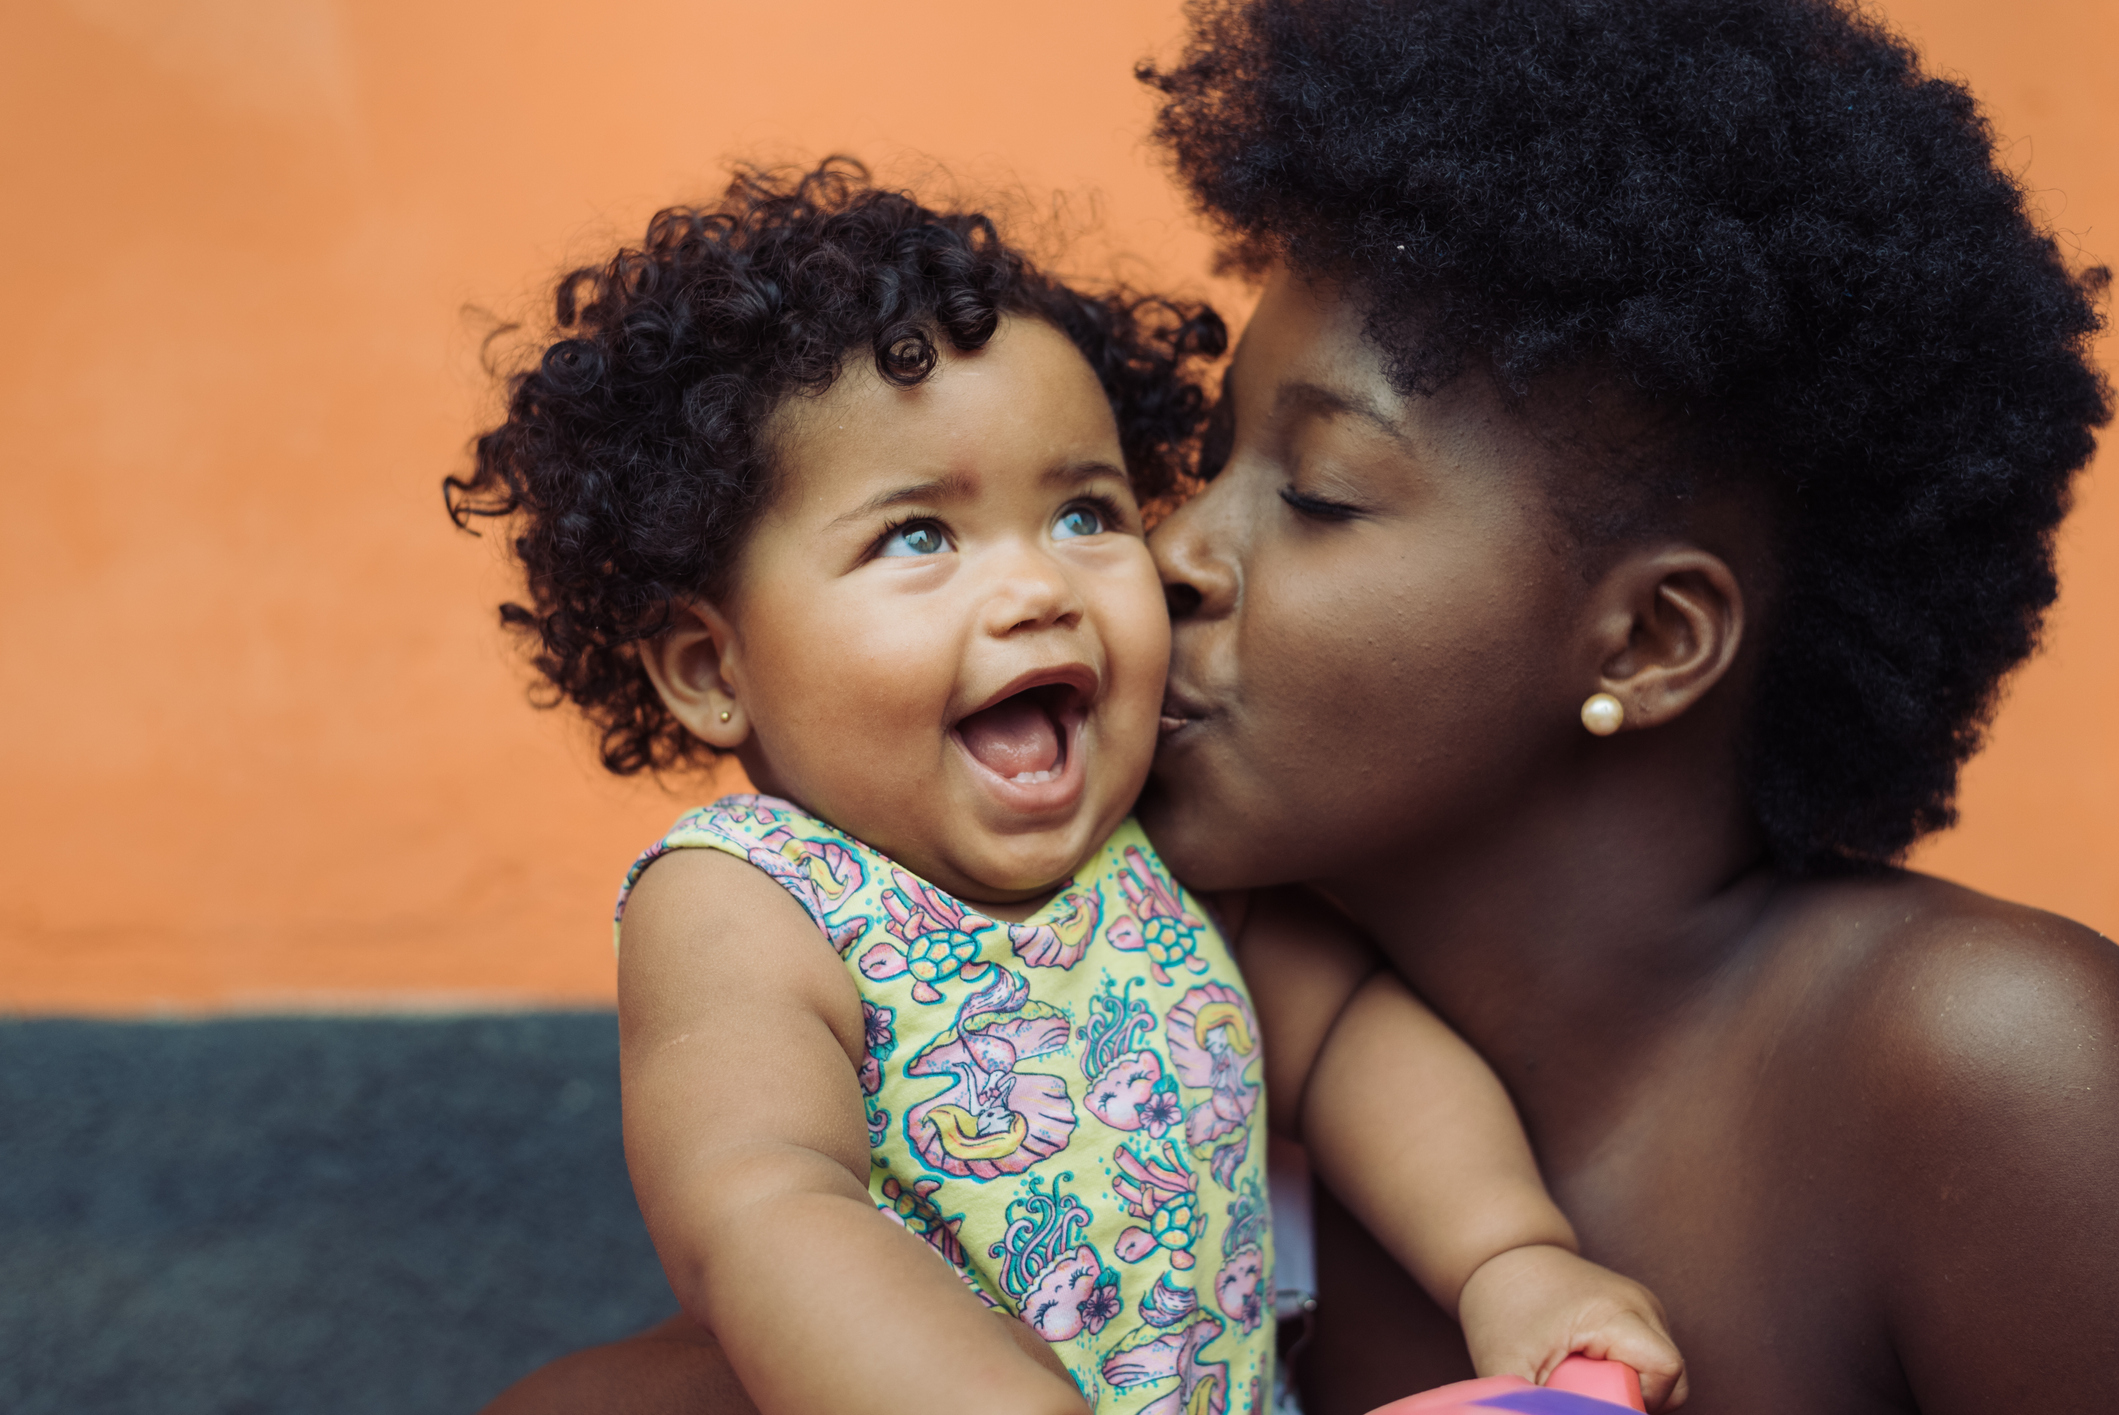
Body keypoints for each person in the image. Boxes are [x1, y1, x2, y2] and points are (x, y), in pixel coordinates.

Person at [448, 162, 1687, 1415]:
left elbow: (1357, 1043)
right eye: (918, 535)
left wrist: (1507, 1253)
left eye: (1087, 513)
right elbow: (763, 1195)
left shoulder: (1148, 855)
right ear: (714, 668)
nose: (1041, 587)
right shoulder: (750, 897)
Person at [1133, 0, 2119, 1411]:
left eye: (1313, 493)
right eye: (1209, 456)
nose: (1168, 550)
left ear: (1646, 641)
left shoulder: (1984, 1062)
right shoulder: (1140, 1032)